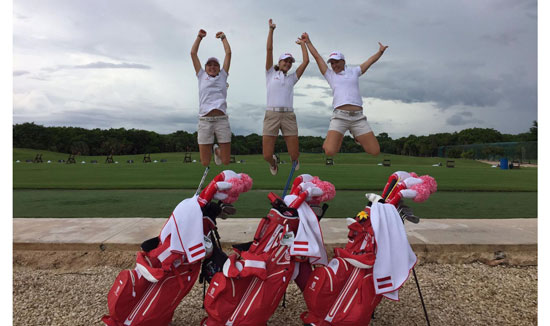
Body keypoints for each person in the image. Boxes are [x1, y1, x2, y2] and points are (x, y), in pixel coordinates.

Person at [301, 32, 388, 158]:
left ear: (343, 61)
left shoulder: (354, 72)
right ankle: (335, 138)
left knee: (374, 151)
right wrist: (308, 42)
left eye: (336, 62)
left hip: (358, 118)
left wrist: (380, 52)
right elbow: (317, 57)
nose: (334, 65)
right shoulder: (330, 75)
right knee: (329, 151)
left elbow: (370, 62)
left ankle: (355, 135)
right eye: (332, 63)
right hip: (340, 117)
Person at [263, 19, 309, 175]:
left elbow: (306, 61)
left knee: (294, 156)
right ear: (279, 61)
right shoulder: (270, 74)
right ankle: (273, 162)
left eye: (290, 62)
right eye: (286, 61)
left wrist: (303, 44)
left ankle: (295, 159)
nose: (288, 64)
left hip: (288, 115)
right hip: (272, 114)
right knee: (267, 155)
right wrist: (271, 30)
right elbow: (269, 49)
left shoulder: (292, 78)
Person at [190, 29, 232, 166]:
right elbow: (193, 54)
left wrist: (223, 37)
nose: (212, 67)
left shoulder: (223, 76)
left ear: (219, 68)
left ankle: (218, 151)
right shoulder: (201, 75)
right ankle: (214, 150)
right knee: (205, 162)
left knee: (225, 161)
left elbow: (228, 53)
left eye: (215, 65)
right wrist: (199, 37)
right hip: (205, 120)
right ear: (205, 67)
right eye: (209, 65)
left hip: (221, 120)